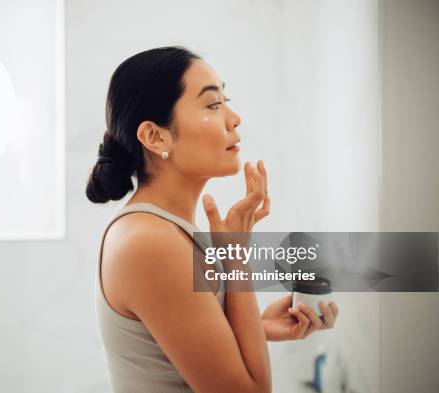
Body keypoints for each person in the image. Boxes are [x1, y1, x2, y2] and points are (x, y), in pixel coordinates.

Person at [86, 46, 339, 393]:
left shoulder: (162, 230)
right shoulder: (151, 242)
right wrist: (236, 258)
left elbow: (170, 348)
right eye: (213, 105)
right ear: (155, 136)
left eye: (226, 101)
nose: (234, 118)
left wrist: (256, 326)